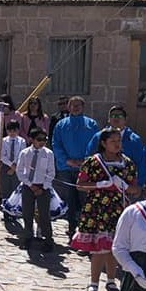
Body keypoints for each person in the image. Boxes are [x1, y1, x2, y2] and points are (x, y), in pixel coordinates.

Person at [73, 128, 140, 291]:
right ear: (103, 143)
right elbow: (80, 185)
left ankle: (111, 281)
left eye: (119, 141)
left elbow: (135, 189)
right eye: (113, 141)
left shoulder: (128, 163)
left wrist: (124, 186)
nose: (117, 144)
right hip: (97, 209)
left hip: (119, 209)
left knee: (114, 247)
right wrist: (100, 184)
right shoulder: (93, 162)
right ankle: (94, 282)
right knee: (99, 249)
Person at [51, 96, 99, 239]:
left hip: (86, 169)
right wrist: (67, 161)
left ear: (83, 107)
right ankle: (72, 229)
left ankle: (85, 231)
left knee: (86, 201)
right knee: (70, 201)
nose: (76, 107)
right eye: (73, 105)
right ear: (68, 107)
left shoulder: (92, 124)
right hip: (66, 168)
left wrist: (86, 161)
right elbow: (56, 144)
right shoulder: (61, 125)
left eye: (78, 105)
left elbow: (97, 145)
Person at [17, 128, 57, 252]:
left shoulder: (48, 153)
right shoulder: (25, 153)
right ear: (32, 140)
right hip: (29, 186)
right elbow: (20, 171)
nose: (42, 142)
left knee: (44, 214)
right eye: (39, 139)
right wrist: (30, 184)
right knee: (27, 213)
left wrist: (43, 187)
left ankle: (48, 240)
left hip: (43, 187)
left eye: (44, 139)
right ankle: (27, 237)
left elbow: (51, 172)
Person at [85, 105, 144, 169]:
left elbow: (140, 164)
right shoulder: (98, 137)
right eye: (113, 116)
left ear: (125, 119)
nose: (116, 118)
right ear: (108, 119)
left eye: (120, 116)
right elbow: (89, 157)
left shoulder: (134, 140)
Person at [0, 120, 26, 211]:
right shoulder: (3, 141)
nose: (12, 133)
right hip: (6, 166)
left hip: (18, 167)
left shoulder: (22, 141)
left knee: (15, 188)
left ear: (18, 130)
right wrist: (11, 165)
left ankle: (14, 209)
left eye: (14, 131)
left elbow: (21, 155)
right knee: (5, 188)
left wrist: (14, 167)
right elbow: (2, 156)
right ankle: (5, 209)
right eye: (10, 131)